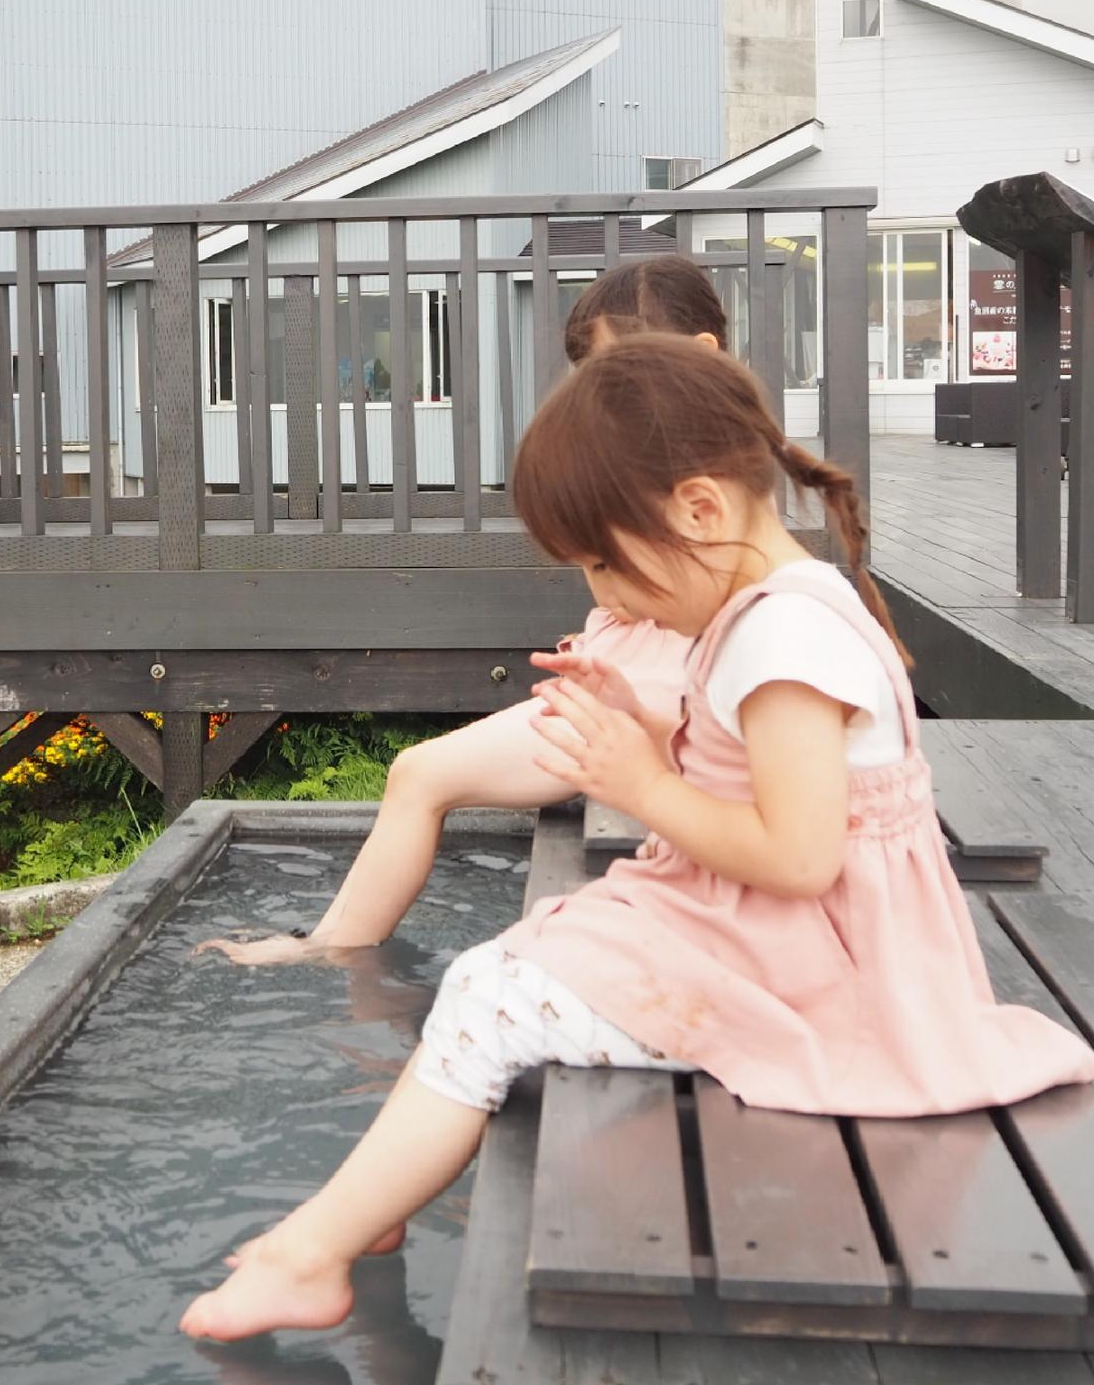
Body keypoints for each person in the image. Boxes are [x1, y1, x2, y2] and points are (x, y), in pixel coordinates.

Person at [179, 334, 1094, 1344]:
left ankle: (307, 1255)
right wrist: (644, 720)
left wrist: (641, 782)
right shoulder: (776, 611)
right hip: (774, 931)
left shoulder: (784, 642)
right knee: (510, 965)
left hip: (811, 964)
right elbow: (760, 771)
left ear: (699, 510)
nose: (606, 595)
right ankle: (376, 1198)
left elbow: (800, 856)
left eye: (606, 563)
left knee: (487, 997)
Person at [199, 256, 725, 965]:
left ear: (701, 360)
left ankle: (329, 949)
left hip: (661, 700)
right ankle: (330, 945)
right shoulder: (678, 462)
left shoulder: (709, 480)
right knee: (417, 772)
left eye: (618, 379)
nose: (599, 403)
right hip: (630, 679)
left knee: (422, 774)